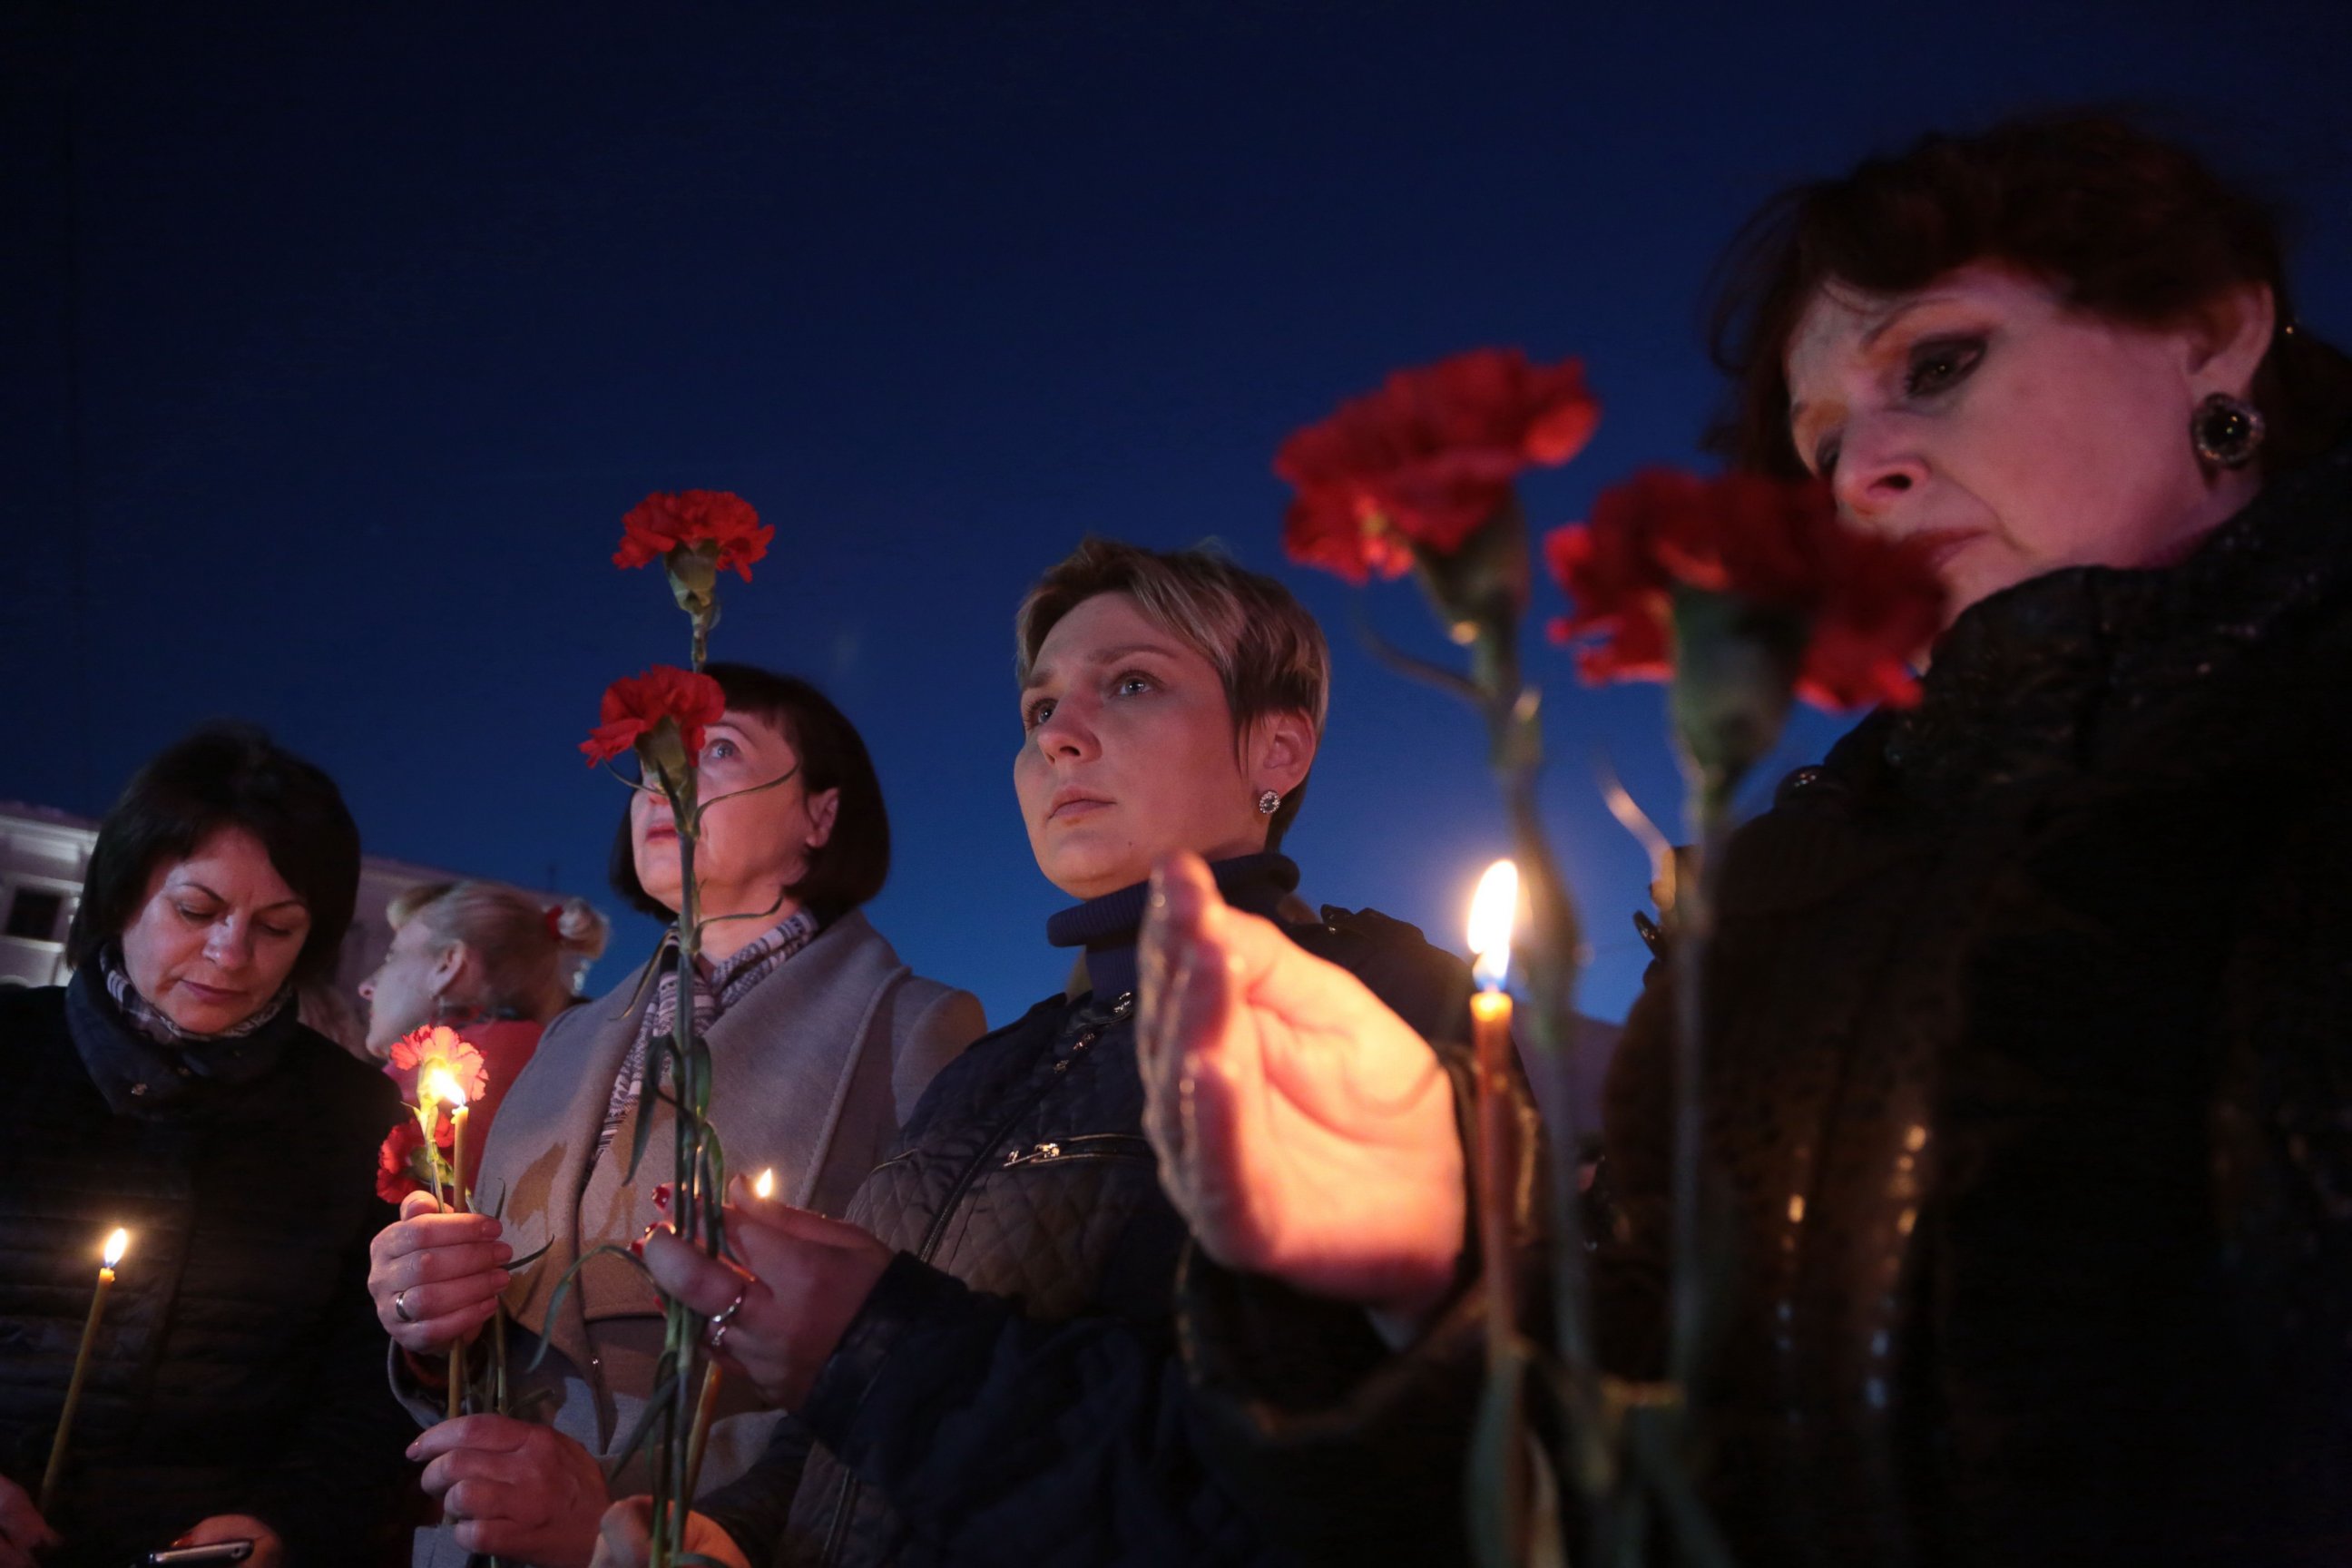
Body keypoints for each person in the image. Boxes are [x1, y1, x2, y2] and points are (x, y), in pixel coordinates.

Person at [1128, 114, 2352, 1567]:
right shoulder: (1790, 884)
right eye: (1821, 444)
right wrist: (1428, 1281)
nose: (1862, 474)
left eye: (1939, 364)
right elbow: (1662, 1467)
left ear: (2212, 332)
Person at [603, 539, 1478, 1568]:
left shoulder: (1386, 1030)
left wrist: (878, 1350)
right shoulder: (996, 1065)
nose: (1061, 733)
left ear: (1277, 750)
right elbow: (837, 1433)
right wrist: (734, 1531)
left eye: (1134, 683)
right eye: (1038, 710)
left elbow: (1324, 1493)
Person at [367, 664, 985, 1568]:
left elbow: (912, 1378)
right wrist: (431, 1321)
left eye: (719, 748)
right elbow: (501, 1334)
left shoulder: (912, 1030)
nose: (667, 781)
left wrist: (634, 1526)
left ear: (820, 814)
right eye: (654, 759)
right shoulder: (570, 1038)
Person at [0, 724, 412, 1568]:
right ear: (124, 894)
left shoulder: (351, 1115)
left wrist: (286, 1516)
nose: (231, 955)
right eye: (197, 910)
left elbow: (368, 1372)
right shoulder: (11, 1055)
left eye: (277, 927)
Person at [360, 879, 612, 1181]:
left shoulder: (434, 1070)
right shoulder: (545, 1057)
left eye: (393, 956)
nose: (367, 987)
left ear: (448, 965)